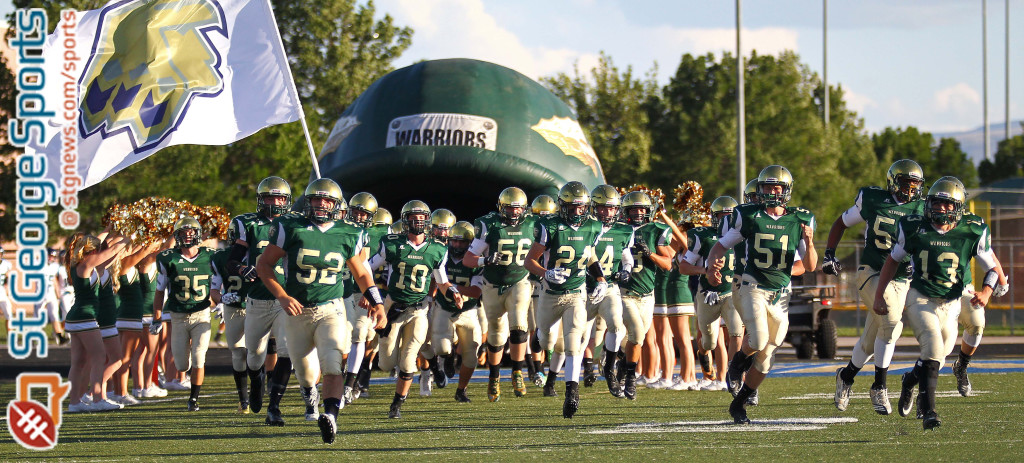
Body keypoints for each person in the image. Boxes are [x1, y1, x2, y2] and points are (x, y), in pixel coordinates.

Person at [257, 178, 386, 444]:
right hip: (297, 311)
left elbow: (361, 273)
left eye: (327, 200)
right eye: (316, 199)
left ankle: (330, 415)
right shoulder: (290, 227)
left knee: (332, 363)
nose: (321, 204)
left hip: (331, 308)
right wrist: (281, 296)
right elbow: (264, 266)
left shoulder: (348, 232)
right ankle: (310, 394)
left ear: (336, 205)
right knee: (305, 373)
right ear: (308, 201)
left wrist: (378, 302)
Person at [876, 178, 1004, 430]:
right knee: (933, 349)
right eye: (936, 202)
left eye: (947, 204)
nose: (940, 209)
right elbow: (892, 261)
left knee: (939, 357)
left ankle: (910, 380)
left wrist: (987, 293)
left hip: (952, 302)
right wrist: (880, 294)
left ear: (957, 207)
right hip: (921, 298)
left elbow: (993, 269)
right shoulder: (914, 227)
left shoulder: (972, 229)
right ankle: (929, 412)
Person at [707, 165, 817, 424]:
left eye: (777, 187)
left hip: (781, 293)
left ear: (786, 191)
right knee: (757, 339)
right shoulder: (750, 216)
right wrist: (712, 268)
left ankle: (739, 403)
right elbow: (721, 245)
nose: (772, 192)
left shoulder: (799, 220)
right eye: (767, 187)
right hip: (752, 286)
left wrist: (810, 242)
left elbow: (810, 265)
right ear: (760, 189)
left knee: (766, 358)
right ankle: (736, 364)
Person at [828, 159, 926, 415]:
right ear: (893, 182)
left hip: (902, 279)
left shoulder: (922, 208)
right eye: (905, 183)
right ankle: (879, 386)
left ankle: (846, 376)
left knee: (872, 340)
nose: (910, 189)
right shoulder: (873, 199)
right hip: (870, 272)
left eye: (915, 184)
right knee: (892, 323)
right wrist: (829, 253)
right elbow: (841, 222)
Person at [227, 176, 315, 425]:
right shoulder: (249, 224)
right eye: (269, 197)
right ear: (261, 199)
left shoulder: (296, 223)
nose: (275, 202)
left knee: (287, 351)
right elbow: (232, 260)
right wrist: (243, 270)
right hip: (256, 301)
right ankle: (256, 381)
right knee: (254, 355)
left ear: (287, 200)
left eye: (279, 197)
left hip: (284, 299)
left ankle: (274, 406)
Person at [369, 200, 461, 419]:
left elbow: (442, 281)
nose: (418, 222)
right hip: (392, 307)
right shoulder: (391, 243)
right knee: (386, 363)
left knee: (409, 357)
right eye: (414, 218)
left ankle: (396, 405)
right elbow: (367, 267)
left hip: (419, 309)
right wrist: (372, 296)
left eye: (422, 219)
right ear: (405, 220)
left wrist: (453, 292)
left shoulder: (437, 249)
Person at [525, 181, 609, 418]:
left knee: (573, 343)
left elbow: (590, 256)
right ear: (562, 206)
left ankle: (571, 392)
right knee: (546, 340)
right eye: (572, 207)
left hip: (576, 293)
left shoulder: (593, 226)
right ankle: (538, 337)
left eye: (581, 207)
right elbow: (529, 261)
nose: (577, 212)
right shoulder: (549, 226)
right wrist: (545, 273)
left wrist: (601, 279)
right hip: (550, 294)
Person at [463, 187, 538, 402]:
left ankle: (517, 371)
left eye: (518, 209)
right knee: (496, 333)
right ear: (501, 208)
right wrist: (484, 260)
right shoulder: (489, 224)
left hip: (519, 281)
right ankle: (494, 376)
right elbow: (469, 259)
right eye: (510, 209)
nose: (514, 213)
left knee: (518, 323)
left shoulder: (533, 224)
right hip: (492, 285)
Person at [151, 217, 222, 412]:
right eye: (183, 233)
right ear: (177, 236)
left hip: (201, 315)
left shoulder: (211, 256)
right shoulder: (168, 258)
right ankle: (187, 375)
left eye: (191, 233)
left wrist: (221, 303)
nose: (187, 237)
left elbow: (220, 283)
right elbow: (159, 291)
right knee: (182, 365)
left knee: (199, 357)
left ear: (198, 235)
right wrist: (157, 317)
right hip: (178, 317)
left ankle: (193, 399)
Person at [608, 191, 674, 401]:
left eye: (642, 209)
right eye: (633, 209)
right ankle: (630, 379)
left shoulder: (655, 230)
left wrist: (650, 253)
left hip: (647, 295)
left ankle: (621, 364)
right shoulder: (617, 230)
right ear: (624, 211)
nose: (638, 213)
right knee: (636, 335)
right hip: (623, 293)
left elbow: (667, 264)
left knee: (636, 340)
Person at [679, 196, 740, 392]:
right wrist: (705, 270)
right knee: (709, 341)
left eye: (729, 216)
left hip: (733, 292)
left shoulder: (743, 236)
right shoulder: (703, 235)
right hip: (708, 294)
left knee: (736, 333)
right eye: (721, 216)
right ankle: (704, 354)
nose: (725, 220)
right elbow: (684, 266)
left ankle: (733, 376)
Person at [65, 231, 130, 412]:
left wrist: (117, 234)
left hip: (77, 317)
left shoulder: (87, 266)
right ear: (91, 251)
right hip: (85, 317)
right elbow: (113, 249)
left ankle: (75, 403)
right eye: (98, 249)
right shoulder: (86, 264)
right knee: (99, 357)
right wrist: (129, 235)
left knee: (78, 362)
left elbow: (113, 255)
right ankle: (97, 398)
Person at [582, 185, 632, 398]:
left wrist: (626, 271)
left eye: (611, 208)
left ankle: (609, 369)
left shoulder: (624, 230)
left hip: (610, 287)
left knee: (616, 325)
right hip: (583, 288)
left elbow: (626, 257)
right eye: (602, 208)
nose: (607, 213)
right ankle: (578, 374)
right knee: (578, 336)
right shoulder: (584, 227)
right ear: (593, 207)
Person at [431, 221, 484, 402]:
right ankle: (448, 356)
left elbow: (477, 292)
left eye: (462, 242)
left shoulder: (475, 261)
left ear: (470, 243)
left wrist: (452, 288)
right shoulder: (441, 255)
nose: (457, 245)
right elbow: (433, 280)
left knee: (471, 357)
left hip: (467, 311)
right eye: (454, 241)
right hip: (444, 309)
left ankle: (461, 390)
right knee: (441, 347)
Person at [213, 220, 251, 413]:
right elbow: (213, 289)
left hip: (256, 307)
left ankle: (258, 392)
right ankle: (243, 399)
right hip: (233, 308)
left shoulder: (260, 252)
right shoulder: (220, 257)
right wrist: (221, 299)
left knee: (256, 352)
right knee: (238, 351)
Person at [39, 249, 70, 345]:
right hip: (40, 294)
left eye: (52, 256)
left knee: (54, 315)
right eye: (49, 256)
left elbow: (55, 282)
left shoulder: (55, 267)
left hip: (51, 294)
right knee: (38, 317)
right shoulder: (39, 265)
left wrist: (57, 296)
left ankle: (60, 336)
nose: (51, 258)